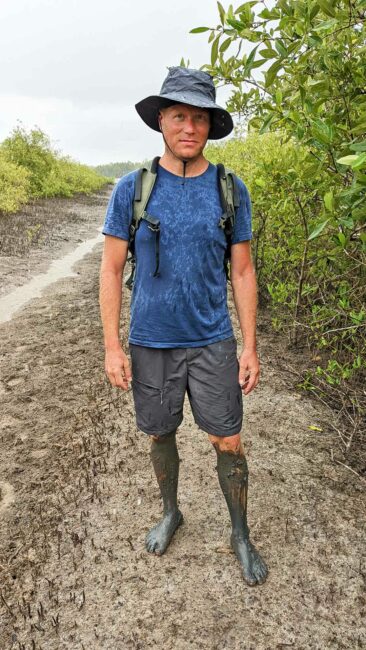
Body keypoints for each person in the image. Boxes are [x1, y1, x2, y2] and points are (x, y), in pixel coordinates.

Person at [99, 67, 268, 586]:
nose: (188, 127)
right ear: (162, 122)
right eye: (178, 116)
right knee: (159, 431)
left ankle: (240, 532)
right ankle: (171, 511)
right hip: (151, 341)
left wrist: (250, 347)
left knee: (229, 441)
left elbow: (242, 271)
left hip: (213, 340)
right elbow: (110, 268)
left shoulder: (228, 188)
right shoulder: (133, 188)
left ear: (209, 125)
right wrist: (112, 346)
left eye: (198, 117)